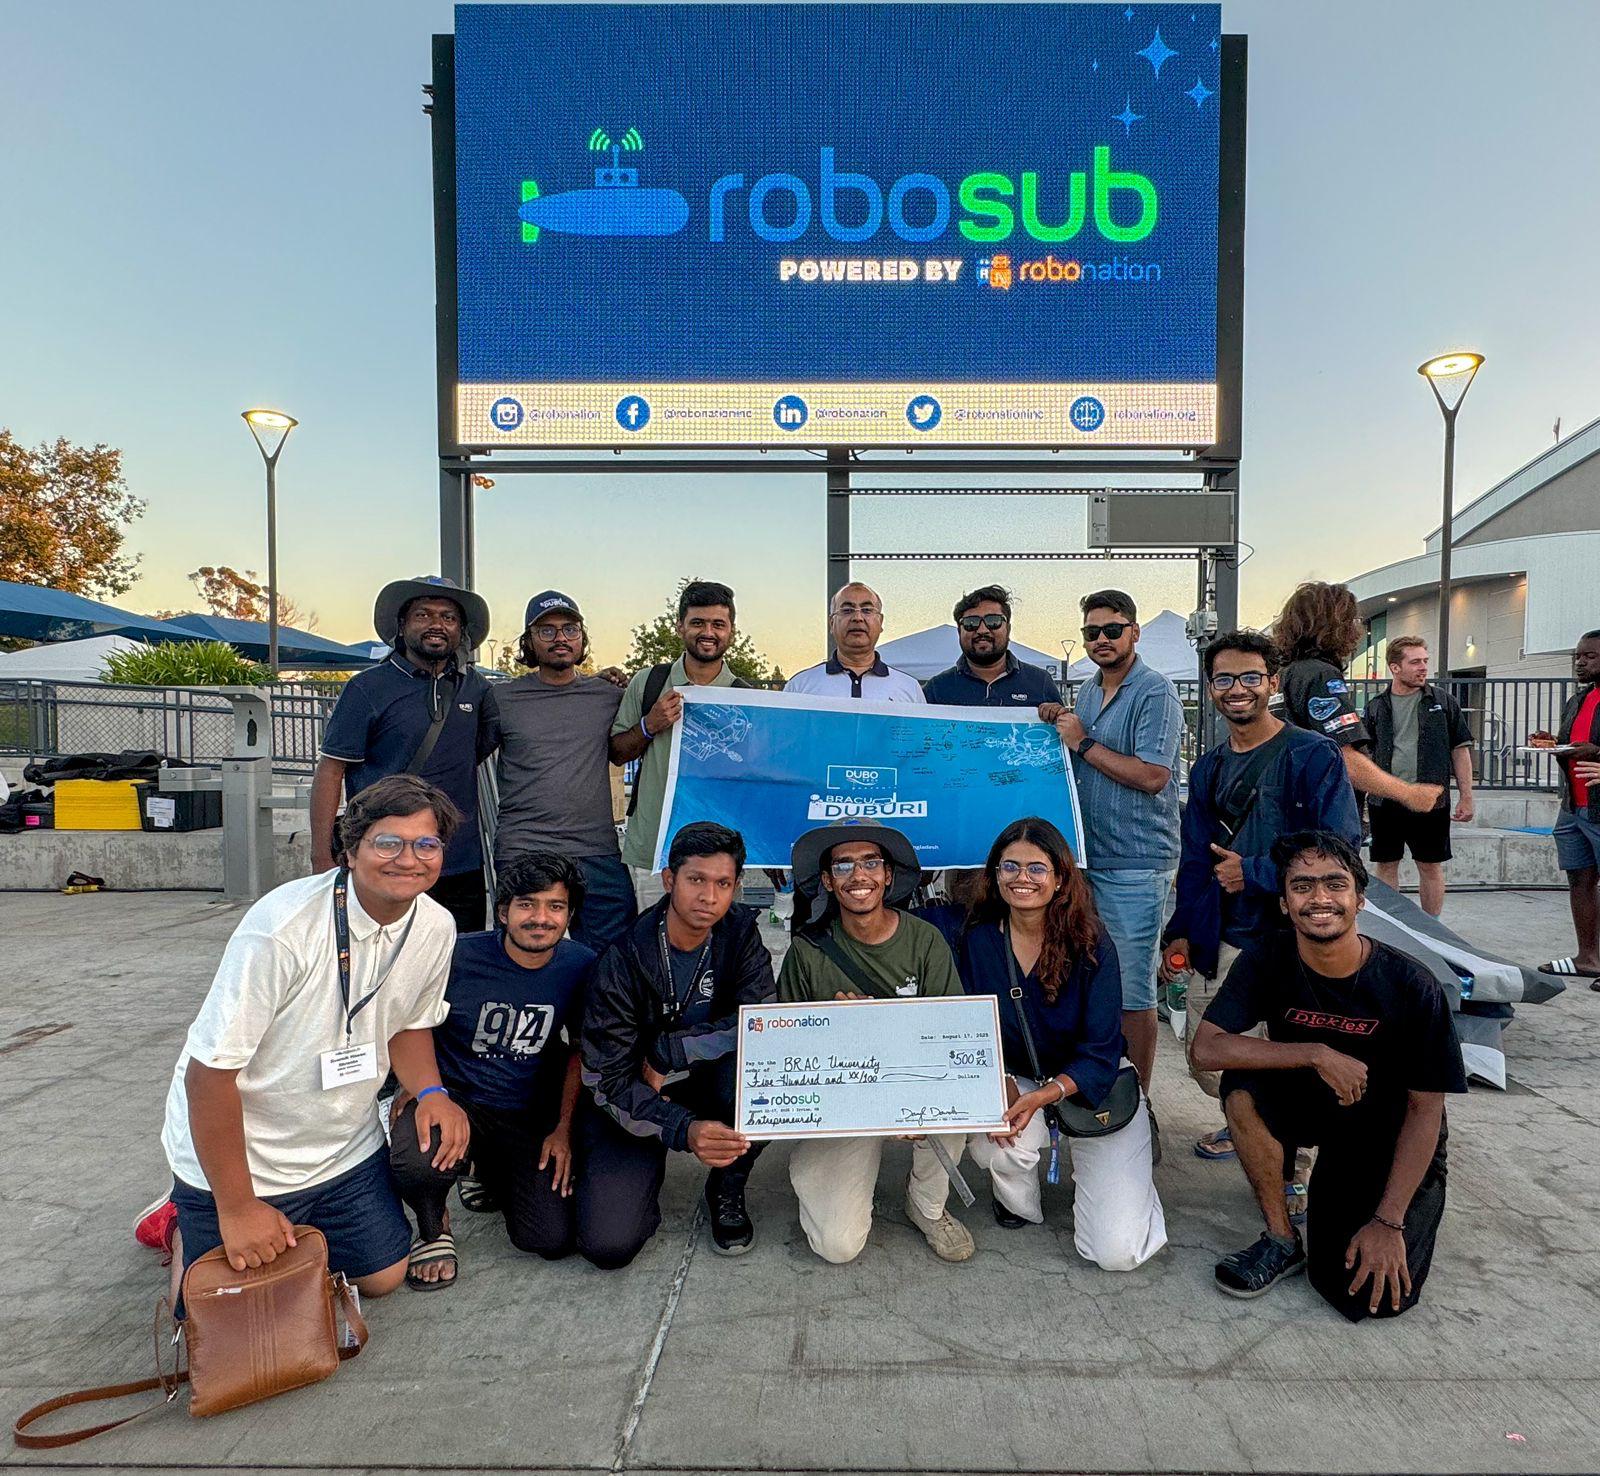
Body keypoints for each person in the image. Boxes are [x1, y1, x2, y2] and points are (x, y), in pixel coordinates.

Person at [155, 774, 469, 1304]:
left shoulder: (436, 926)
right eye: (387, 843)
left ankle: (293, 1225)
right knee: (233, 1311)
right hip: (247, 1157)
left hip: (340, 1149)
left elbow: (409, 1023)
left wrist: (433, 1093)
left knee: (383, 1278)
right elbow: (209, 1075)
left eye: (426, 844)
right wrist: (238, 1208)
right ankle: (185, 1221)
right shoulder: (281, 929)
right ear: (351, 849)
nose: (408, 859)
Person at [1191, 831, 1467, 1318]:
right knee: (1242, 1088)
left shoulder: (1412, 984)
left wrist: (1389, 1221)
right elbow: (1207, 1048)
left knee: (1361, 1296)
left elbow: (1426, 1111)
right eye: (1302, 886)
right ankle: (1280, 1238)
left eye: (1335, 884)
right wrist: (1316, 1053)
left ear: (1360, 900)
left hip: (1385, 1125)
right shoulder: (1268, 957)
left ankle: (1346, 1194)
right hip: (1311, 1100)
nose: (1319, 898)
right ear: (1284, 903)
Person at [923, 818, 1166, 1270]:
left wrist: (1044, 1095)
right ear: (994, 875)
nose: (1023, 878)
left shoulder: (1092, 941)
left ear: (1059, 879)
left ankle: (1125, 1175)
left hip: (1092, 1083)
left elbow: (1102, 1049)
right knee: (994, 1139)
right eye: (1010, 866)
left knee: (1116, 1252)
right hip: (1018, 1074)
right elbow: (894, 929)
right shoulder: (973, 935)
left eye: (1037, 868)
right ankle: (1018, 1198)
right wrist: (996, 1079)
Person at [1160, 630, 1361, 1166]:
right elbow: (1195, 860)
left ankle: (1290, 1161)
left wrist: (1252, 872)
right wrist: (1180, 932)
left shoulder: (1312, 754)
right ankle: (1249, 1118)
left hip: (1296, 941)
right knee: (1208, 1056)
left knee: (1291, 1052)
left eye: (1251, 677)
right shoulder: (1208, 768)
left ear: (1273, 683)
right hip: (1225, 934)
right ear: (1210, 688)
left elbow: (1340, 849)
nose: (1237, 689)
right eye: (1224, 678)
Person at [388, 853, 594, 1288]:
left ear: (569, 915)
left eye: (555, 906)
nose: (540, 918)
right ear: (503, 912)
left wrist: (563, 1128)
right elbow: (408, 1021)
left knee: (549, 1238)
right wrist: (419, 1086)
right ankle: (433, 1226)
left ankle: (485, 1169)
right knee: (419, 1156)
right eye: (527, 904)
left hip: (526, 1109)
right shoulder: (456, 956)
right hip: (456, 1097)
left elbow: (579, 1050)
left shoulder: (580, 965)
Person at [580, 822, 775, 1264]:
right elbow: (605, 1079)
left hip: (702, 1077)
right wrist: (682, 1128)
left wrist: (670, 1051)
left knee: (769, 1079)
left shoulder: (740, 933)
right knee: (610, 1245)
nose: (709, 897)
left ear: (736, 888)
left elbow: (761, 1021)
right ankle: (633, 1165)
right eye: (696, 880)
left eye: (722, 884)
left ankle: (727, 1183)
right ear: (670, 880)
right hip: (635, 1091)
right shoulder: (624, 957)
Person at [779, 823, 973, 1265]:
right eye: (843, 865)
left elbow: (953, 1037)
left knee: (954, 1112)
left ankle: (926, 1204)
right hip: (843, 1101)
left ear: (887, 875)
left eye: (870, 862)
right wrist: (837, 1030)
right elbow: (786, 1050)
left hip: (913, 1084)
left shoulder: (925, 940)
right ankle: (822, 1172)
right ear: (827, 880)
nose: (858, 875)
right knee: (837, 1246)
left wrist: (910, 1095)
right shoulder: (806, 952)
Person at [1040, 590, 1182, 1112]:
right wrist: (1058, 720)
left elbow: (1152, 775)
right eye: (1091, 632)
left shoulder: (1156, 692)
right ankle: (1098, 1087)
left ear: (1134, 633)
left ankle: (1136, 1108)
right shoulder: (1086, 692)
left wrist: (1081, 741)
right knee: (1092, 983)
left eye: (1112, 629)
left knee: (1132, 992)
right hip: (1085, 861)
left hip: (1135, 863)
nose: (1101, 639)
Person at [312, 576, 498, 932]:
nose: (436, 625)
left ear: (461, 630)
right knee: (378, 953)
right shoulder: (366, 688)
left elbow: (481, 746)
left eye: (448, 617)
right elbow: (331, 770)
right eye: (423, 615)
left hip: (458, 860)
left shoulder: (476, 688)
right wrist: (321, 856)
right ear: (402, 625)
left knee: (458, 955)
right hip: (386, 857)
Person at [493, 590, 637, 953]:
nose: (560, 638)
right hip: (525, 847)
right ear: (528, 641)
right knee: (523, 956)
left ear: (582, 638)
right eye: (547, 630)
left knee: (614, 959)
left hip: (596, 849)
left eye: (570, 629)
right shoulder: (500, 700)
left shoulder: (608, 696)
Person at [610, 580, 751, 877]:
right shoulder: (648, 682)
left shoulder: (746, 698)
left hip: (719, 855)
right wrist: (649, 725)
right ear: (679, 627)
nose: (708, 632)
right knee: (651, 912)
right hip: (652, 850)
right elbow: (617, 753)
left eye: (718, 624)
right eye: (697, 622)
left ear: (731, 632)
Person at [1271, 581, 1442, 816]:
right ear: (1334, 626)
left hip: (1285, 808)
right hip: (1317, 816)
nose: (1357, 628)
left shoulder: (1284, 674)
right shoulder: (1320, 676)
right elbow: (1343, 757)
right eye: (1351, 620)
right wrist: (1409, 793)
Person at [1362, 636, 1475, 916]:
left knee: (1430, 865)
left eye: (1425, 660)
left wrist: (1467, 797)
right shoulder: (1376, 706)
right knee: (1386, 864)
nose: (1423, 667)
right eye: (1415, 662)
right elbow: (1364, 757)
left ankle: (1431, 928)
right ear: (1395, 667)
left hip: (1430, 799)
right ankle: (1392, 926)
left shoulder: (1443, 702)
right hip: (1386, 799)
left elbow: (1460, 750)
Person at [1530, 629, 1600, 981]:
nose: (1580, 662)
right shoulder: (1578, 700)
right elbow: (1572, 744)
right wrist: (1552, 743)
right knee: (1580, 880)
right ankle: (1588, 958)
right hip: (1574, 806)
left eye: (1590, 656)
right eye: (1578, 656)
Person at [922, 585, 1063, 707]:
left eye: (993, 621)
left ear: (1008, 629)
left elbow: (1062, 728)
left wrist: (1060, 717)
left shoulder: (1040, 682)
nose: (982, 630)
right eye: (971, 623)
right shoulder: (936, 689)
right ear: (959, 631)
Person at [784, 582, 926, 702]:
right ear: (831, 623)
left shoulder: (909, 689)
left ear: (880, 622)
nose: (857, 617)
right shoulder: (800, 687)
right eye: (847, 610)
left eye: (867, 610)